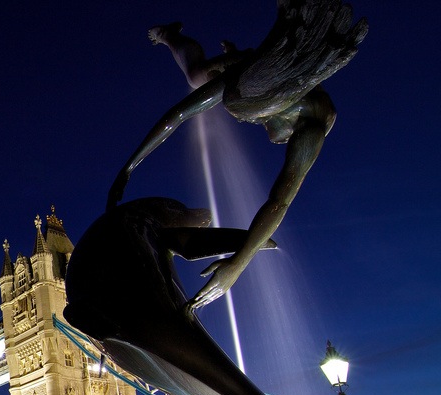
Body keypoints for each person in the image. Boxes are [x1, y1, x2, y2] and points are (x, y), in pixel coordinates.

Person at [108, 1, 367, 313]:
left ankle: (226, 53)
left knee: (202, 75)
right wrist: (129, 167)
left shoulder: (312, 129)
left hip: (261, 71)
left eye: (255, 120)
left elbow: (279, 202)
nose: (249, 123)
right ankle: (170, 35)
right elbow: (178, 115)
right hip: (251, 68)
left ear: (275, 107)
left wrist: (236, 266)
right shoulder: (242, 83)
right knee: (197, 76)